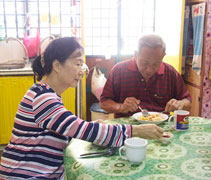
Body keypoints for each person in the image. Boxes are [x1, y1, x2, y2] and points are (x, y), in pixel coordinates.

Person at [0, 37, 163, 180]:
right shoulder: (42, 98)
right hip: (25, 175)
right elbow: (84, 131)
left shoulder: (48, 94)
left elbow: (70, 129)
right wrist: (135, 131)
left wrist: (95, 126)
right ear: (57, 65)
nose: (82, 70)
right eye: (78, 63)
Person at [100, 34, 191, 118]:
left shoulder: (171, 73)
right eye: (145, 63)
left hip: (162, 127)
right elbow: (104, 102)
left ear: (163, 56)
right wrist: (121, 107)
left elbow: (187, 101)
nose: (149, 69)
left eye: (156, 64)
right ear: (135, 54)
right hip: (127, 128)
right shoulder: (119, 70)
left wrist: (180, 104)